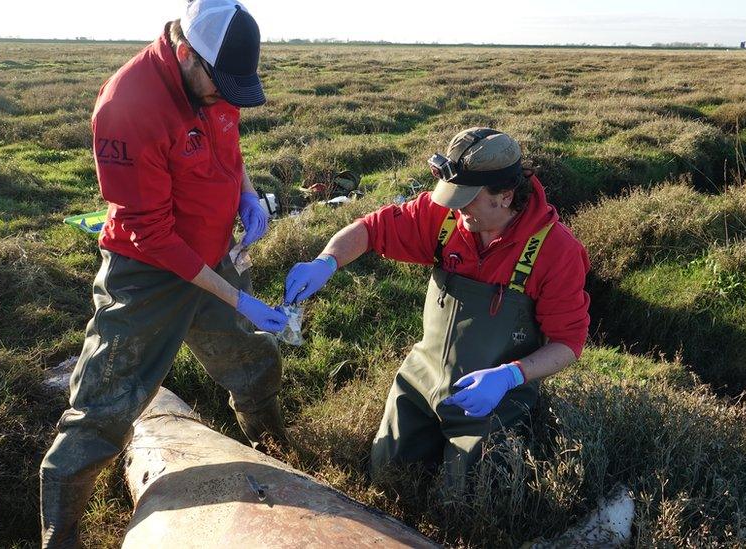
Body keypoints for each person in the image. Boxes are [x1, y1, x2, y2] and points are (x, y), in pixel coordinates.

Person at [39, 2, 287, 546]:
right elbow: (148, 234)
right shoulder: (129, 108)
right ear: (183, 53)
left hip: (212, 256)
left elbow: (228, 140)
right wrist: (237, 299)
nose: (226, 96)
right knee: (104, 406)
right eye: (219, 85)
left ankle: (279, 458)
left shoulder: (216, 81)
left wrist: (247, 197)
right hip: (147, 273)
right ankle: (62, 535)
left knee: (253, 363)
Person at [284, 128, 590, 491]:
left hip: (492, 400)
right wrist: (326, 262)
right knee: (386, 477)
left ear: (506, 196)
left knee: (469, 496)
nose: (456, 209)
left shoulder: (556, 251)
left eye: (467, 200)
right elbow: (370, 229)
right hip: (421, 380)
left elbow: (568, 344)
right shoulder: (444, 217)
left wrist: (509, 376)